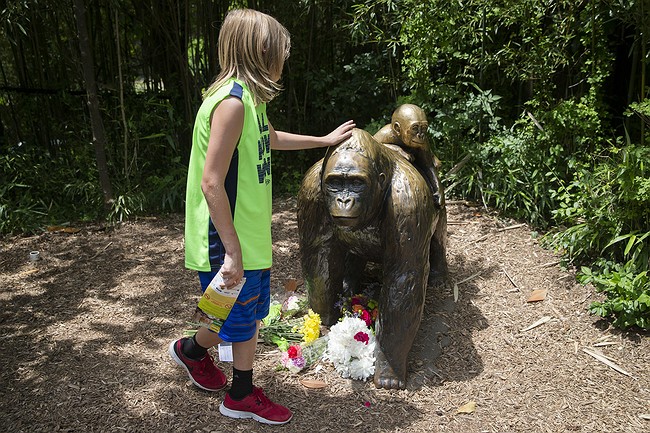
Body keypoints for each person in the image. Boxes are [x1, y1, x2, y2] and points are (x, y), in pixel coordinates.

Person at [167, 8, 355, 426]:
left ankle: (192, 352)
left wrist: (323, 140)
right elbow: (212, 182)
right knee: (244, 319)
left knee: (234, 311)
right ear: (263, 51)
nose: (284, 60)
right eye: (282, 52)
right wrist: (231, 251)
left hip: (246, 233)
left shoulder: (247, 100)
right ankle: (241, 395)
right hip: (229, 238)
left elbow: (268, 138)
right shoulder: (232, 104)